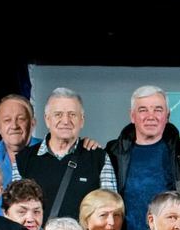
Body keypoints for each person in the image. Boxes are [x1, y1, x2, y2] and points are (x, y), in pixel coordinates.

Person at [106, 85, 180, 230]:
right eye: (143, 110)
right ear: (132, 116)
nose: (151, 116)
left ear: (167, 115)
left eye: (158, 110)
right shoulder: (113, 152)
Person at [15, 88, 117, 221]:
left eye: (72, 114)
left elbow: (111, 211)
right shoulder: (24, 159)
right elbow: (17, 212)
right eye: (58, 114)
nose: (65, 121)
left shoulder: (99, 158)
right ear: (47, 119)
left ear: (82, 120)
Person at [0, 94, 40, 191]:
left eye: (21, 119)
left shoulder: (49, 153)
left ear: (32, 123)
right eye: (7, 120)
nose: (14, 126)